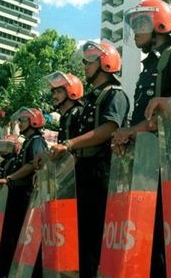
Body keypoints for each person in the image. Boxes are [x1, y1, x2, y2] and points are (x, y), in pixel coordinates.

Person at [112, 0, 171, 277]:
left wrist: (131, 131)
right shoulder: (150, 64)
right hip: (148, 162)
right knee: (149, 238)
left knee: (169, 237)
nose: (136, 32)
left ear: (159, 24)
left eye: (140, 24)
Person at [50, 40, 129, 278]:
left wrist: (70, 144)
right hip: (84, 173)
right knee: (83, 242)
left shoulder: (113, 94)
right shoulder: (91, 100)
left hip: (103, 173)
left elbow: (108, 128)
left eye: (90, 61)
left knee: (96, 241)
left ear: (105, 62)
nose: (85, 65)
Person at [0, 108, 47, 278]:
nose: (19, 124)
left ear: (34, 121)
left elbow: (32, 164)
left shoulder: (36, 141)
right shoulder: (29, 141)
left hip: (24, 194)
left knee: (18, 233)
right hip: (18, 194)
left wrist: (9, 179)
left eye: (23, 120)